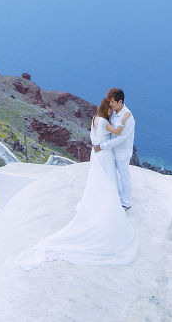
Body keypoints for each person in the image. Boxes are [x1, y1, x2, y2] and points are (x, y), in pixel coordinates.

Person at [16, 97, 138, 269]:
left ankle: (103, 199)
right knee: (108, 178)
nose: (112, 111)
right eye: (110, 109)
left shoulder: (95, 119)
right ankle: (110, 202)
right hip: (103, 154)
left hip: (95, 154)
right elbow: (117, 132)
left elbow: (95, 137)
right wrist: (124, 119)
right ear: (106, 110)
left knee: (100, 179)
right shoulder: (104, 122)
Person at [94, 88, 135, 210]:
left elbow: (120, 138)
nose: (110, 104)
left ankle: (126, 203)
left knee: (124, 177)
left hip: (122, 153)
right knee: (112, 176)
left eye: (112, 102)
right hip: (110, 152)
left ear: (120, 101)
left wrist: (102, 146)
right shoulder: (113, 113)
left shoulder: (128, 118)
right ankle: (114, 197)